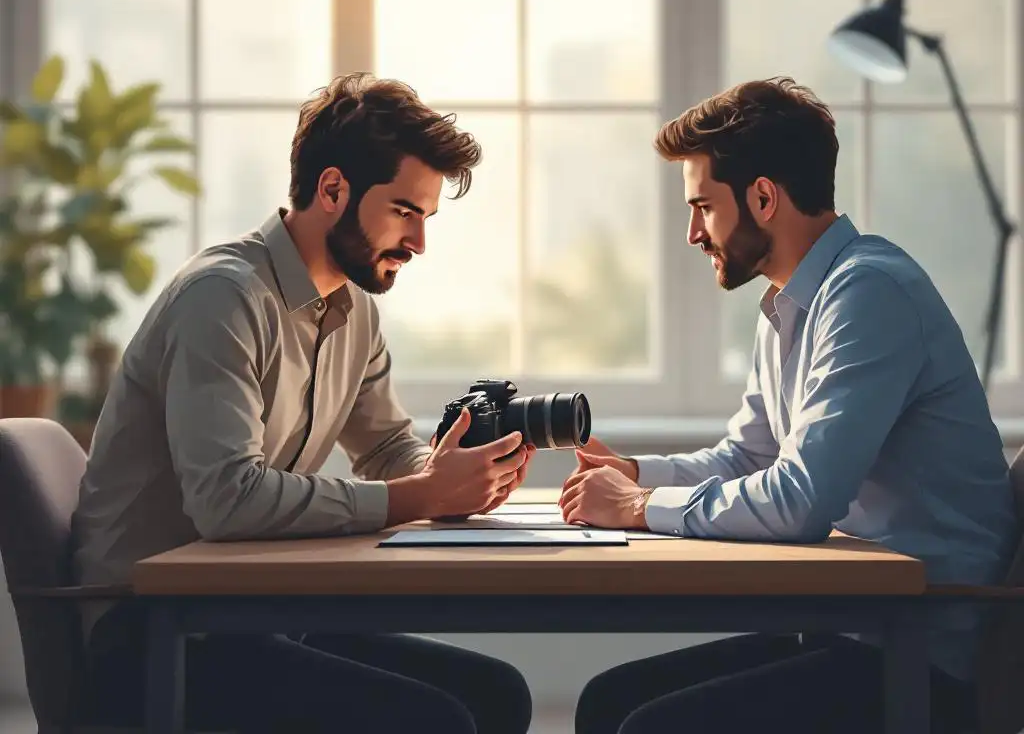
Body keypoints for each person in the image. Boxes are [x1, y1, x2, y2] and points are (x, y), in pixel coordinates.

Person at [71, 72, 535, 734]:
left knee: (496, 694)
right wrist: (419, 496)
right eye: (404, 212)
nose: (419, 243)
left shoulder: (354, 310)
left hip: (246, 614)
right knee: (436, 720)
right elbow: (227, 500)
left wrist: (455, 476)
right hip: (150, 633)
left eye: (425, 219)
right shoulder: (222, 299)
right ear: (333, 189)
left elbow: (385, 449)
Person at [560, 77, 1020, 734]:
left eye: (703, 207)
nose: (692, 233)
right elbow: (751, 458)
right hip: (850, 626)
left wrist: (639, 507)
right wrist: (636, 474)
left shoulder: (869, 294)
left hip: (918, 654)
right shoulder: (790, 302)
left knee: (647, 725)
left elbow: (801, 499)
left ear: (763, 197)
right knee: (609, 703)